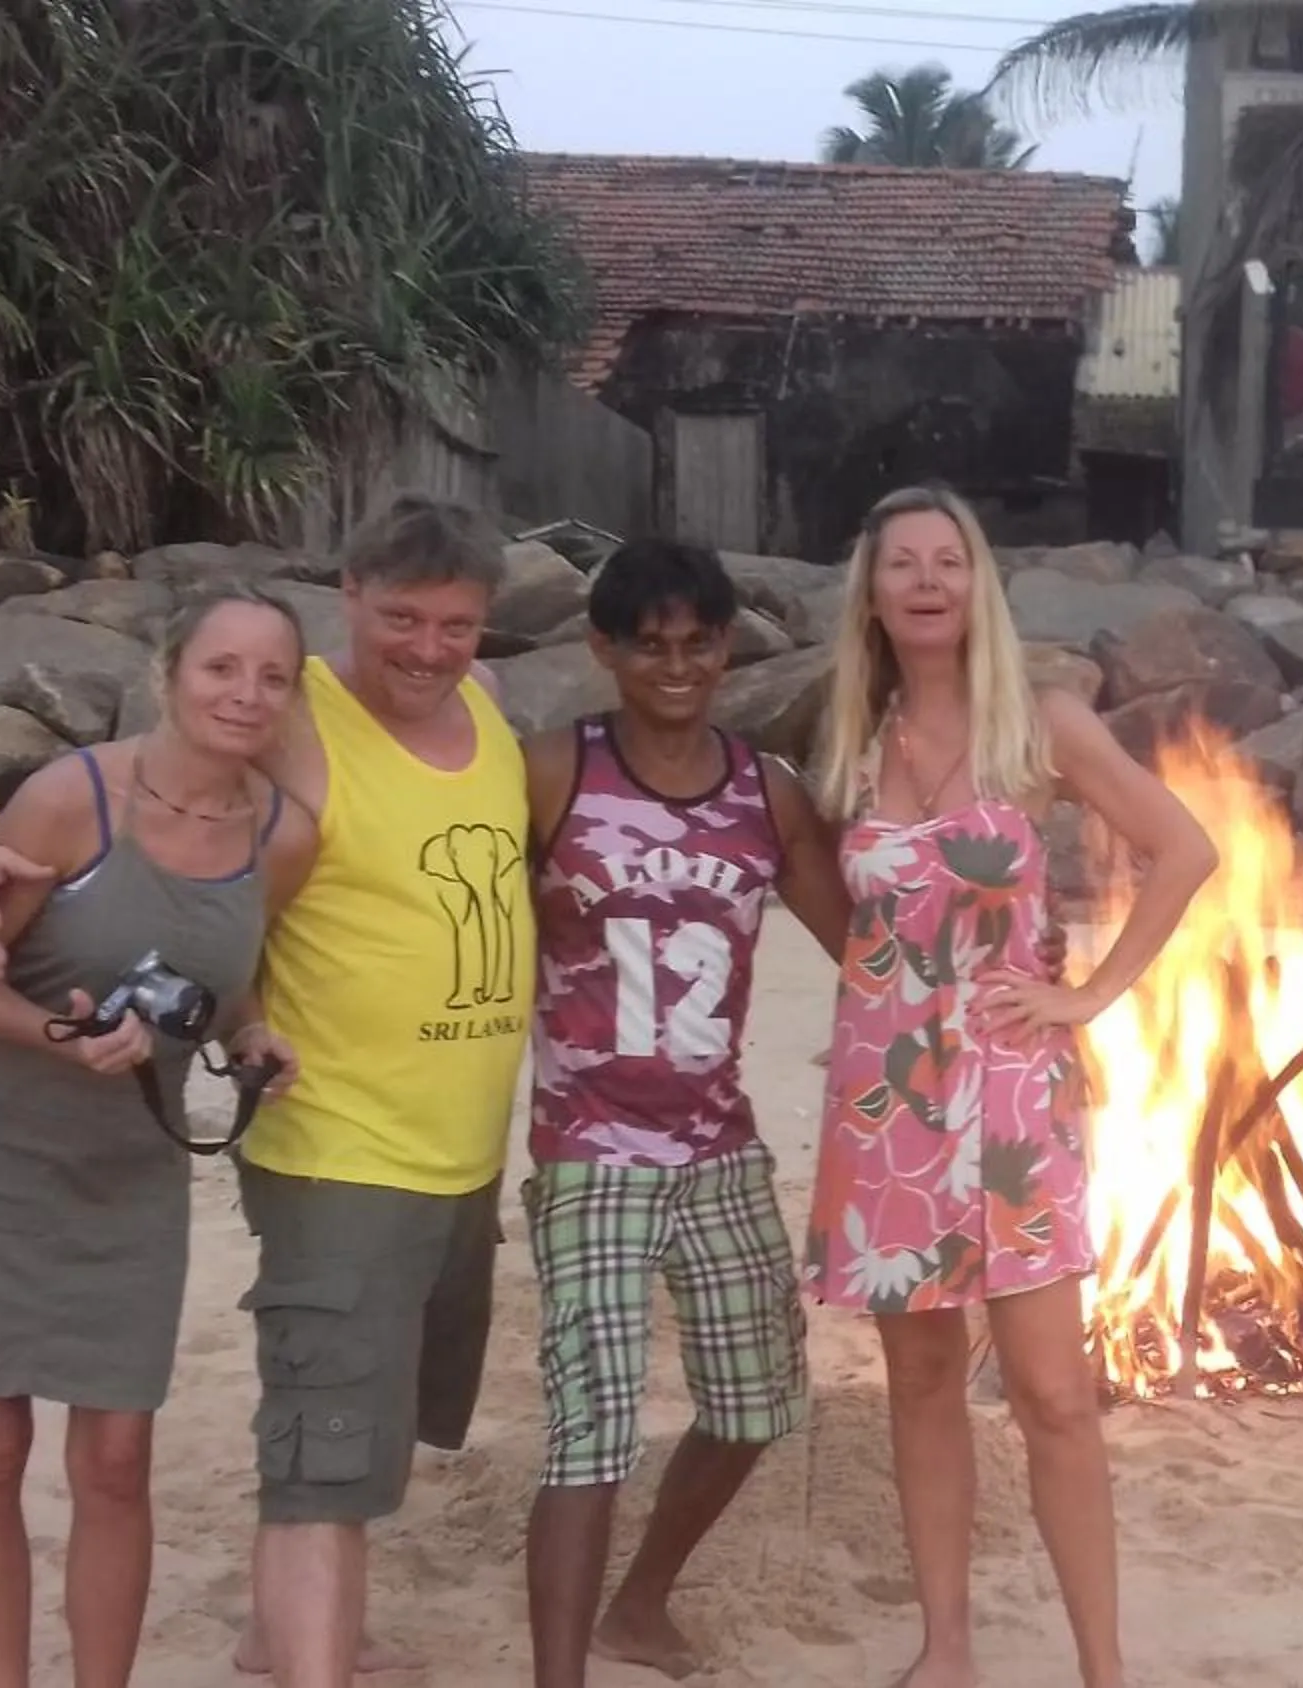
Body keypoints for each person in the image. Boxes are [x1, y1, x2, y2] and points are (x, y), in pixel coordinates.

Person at [0, 495, 531, 1688]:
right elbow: (158, 820)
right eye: (399, 615)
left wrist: (244, 1020)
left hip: (460, 1147)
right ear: (347, 598)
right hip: (335, 1139)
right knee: (321, 1446)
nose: (426, 645)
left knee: (366, 1427)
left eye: (455, 623)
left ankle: (287, 1630)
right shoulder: (291, 723)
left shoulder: (490, 707)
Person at [0, 585, 317, 1688]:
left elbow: (233, 982)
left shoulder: (282, 836)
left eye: (273, 676)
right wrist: (62, 1034)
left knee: (115, 1458)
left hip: (130, 1170)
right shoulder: (70, 799)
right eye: (221, 668)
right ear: (170, 672)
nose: (245, 693)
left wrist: (252, 1037)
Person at [801, 485, 1218, 1688]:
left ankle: (1103, 1667)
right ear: (871, 594)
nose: (927, 581)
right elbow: (840, 909)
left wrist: (1088, 994)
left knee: (1054, 1391)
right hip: (883, 1102)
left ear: (977, 582)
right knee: (923, 1378)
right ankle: (947, 1646)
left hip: (1009, 1098)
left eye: (949, 561)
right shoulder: (847, 740)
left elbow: (1186, 848)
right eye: (903, 565)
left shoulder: (1039, 726)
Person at [518, 538, 852, 1687]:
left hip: (719, 1145)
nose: (676, 664)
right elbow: (453, 924)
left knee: (759, 1402)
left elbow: (866, 947)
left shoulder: (768, 792)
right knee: (592, 1425)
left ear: (726, 647)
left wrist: (1014, 980)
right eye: (649, 643)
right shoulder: (554, 769)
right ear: (604, 649)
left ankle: (641, 1601)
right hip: (587, 1148)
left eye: (697, 641)